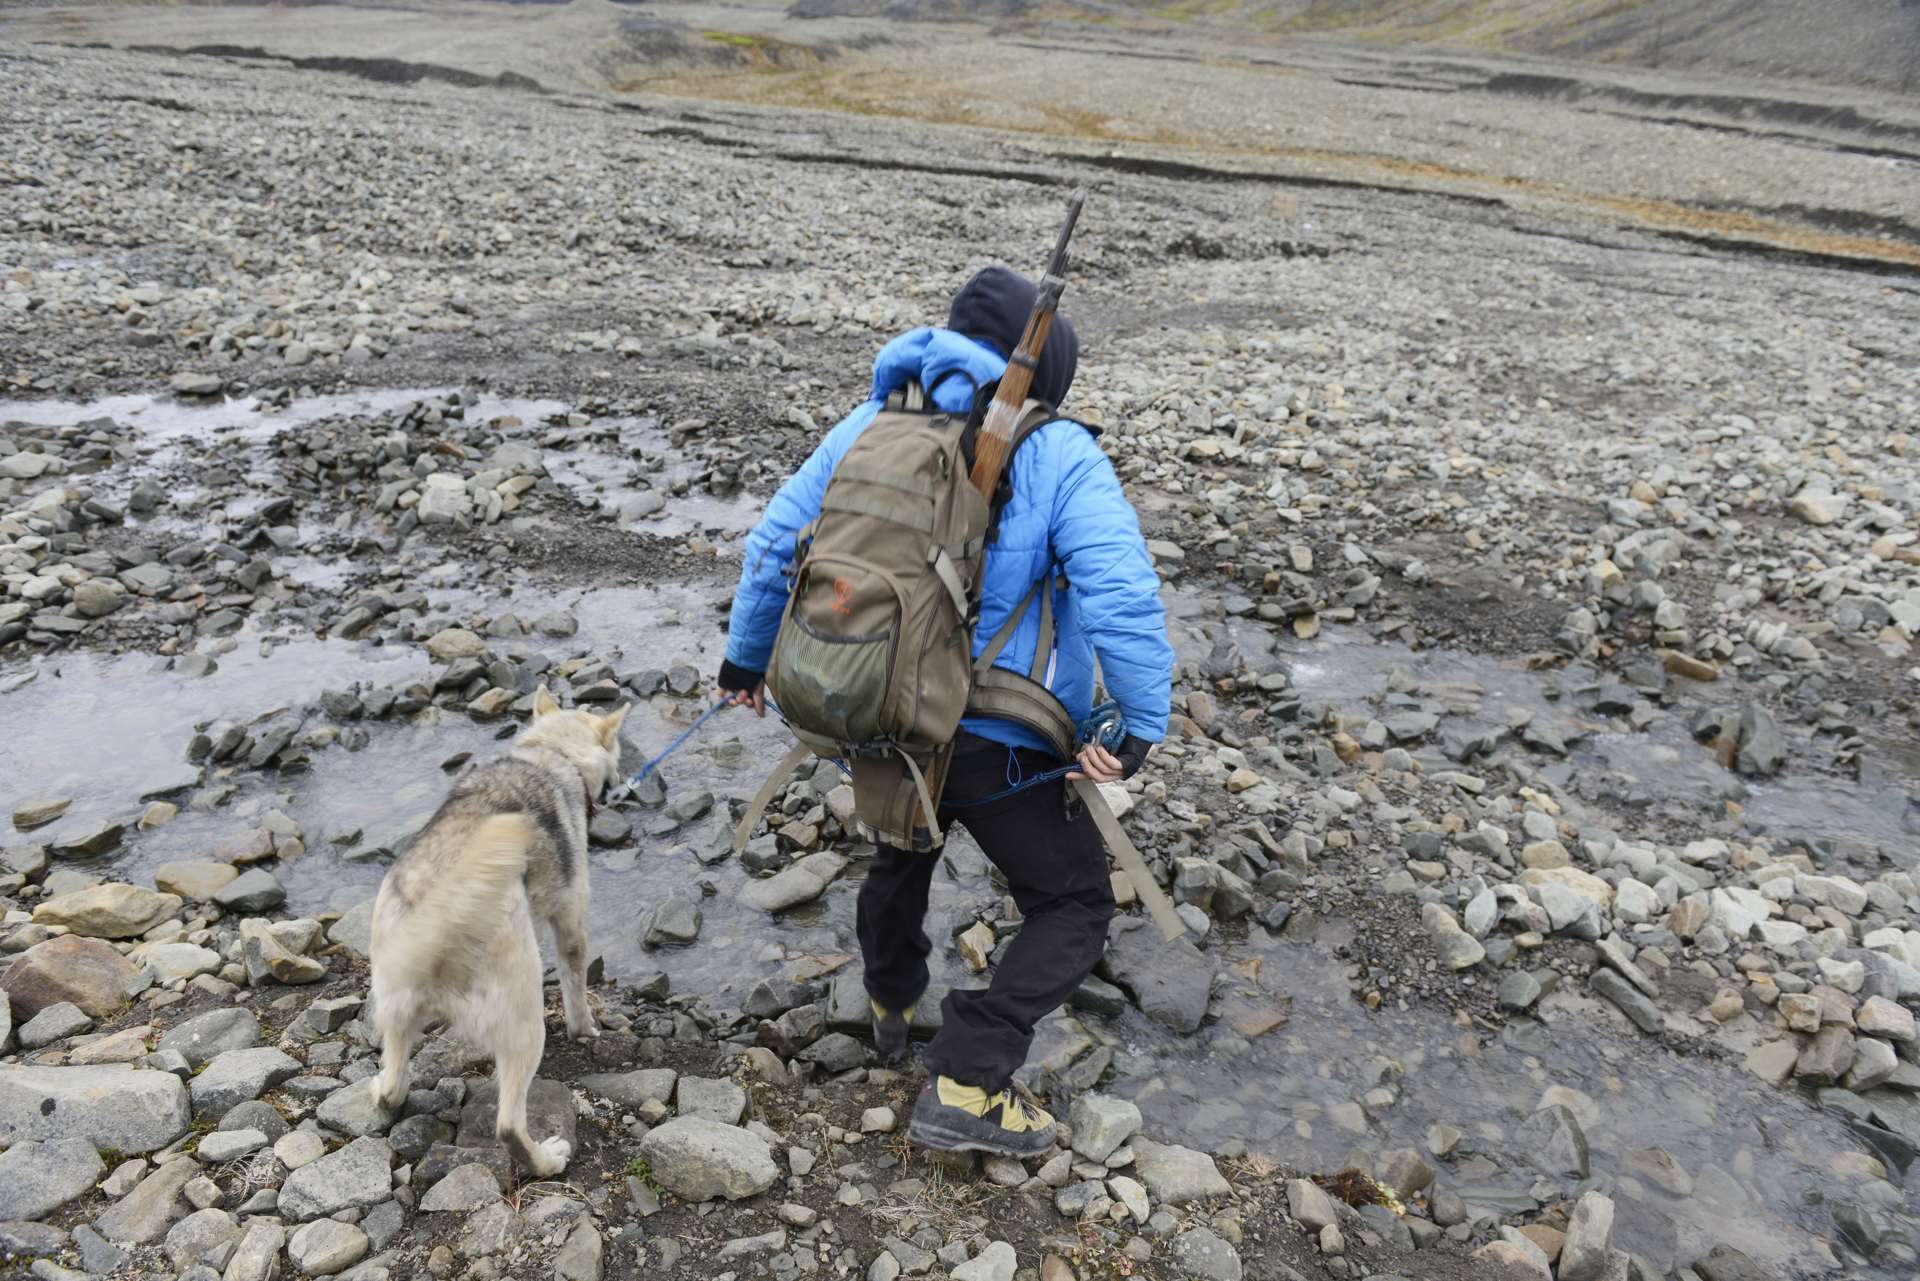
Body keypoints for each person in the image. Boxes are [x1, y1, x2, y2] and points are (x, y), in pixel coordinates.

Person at [716, 266, 1174, 1157]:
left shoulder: (870, 424)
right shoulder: (1060, 449)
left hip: (882, 714)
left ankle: (891, 1006)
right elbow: (1121, 592)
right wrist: (1138, 723)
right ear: (1045, 367)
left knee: (901, 854)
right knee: (1075, 901)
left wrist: (744, 656)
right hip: (1002, 742)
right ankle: (969, 1076)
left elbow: (776, 542)